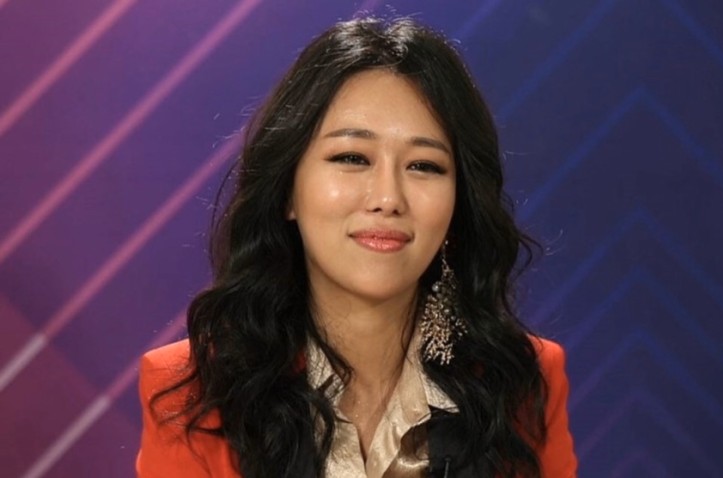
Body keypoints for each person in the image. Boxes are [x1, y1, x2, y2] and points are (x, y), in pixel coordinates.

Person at [136, 16, 576, 478]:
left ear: (458, 203)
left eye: (424, 166)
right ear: (288, 192)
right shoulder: (190, 393)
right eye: (352, 158)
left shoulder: (524, 381)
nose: (388, 198)